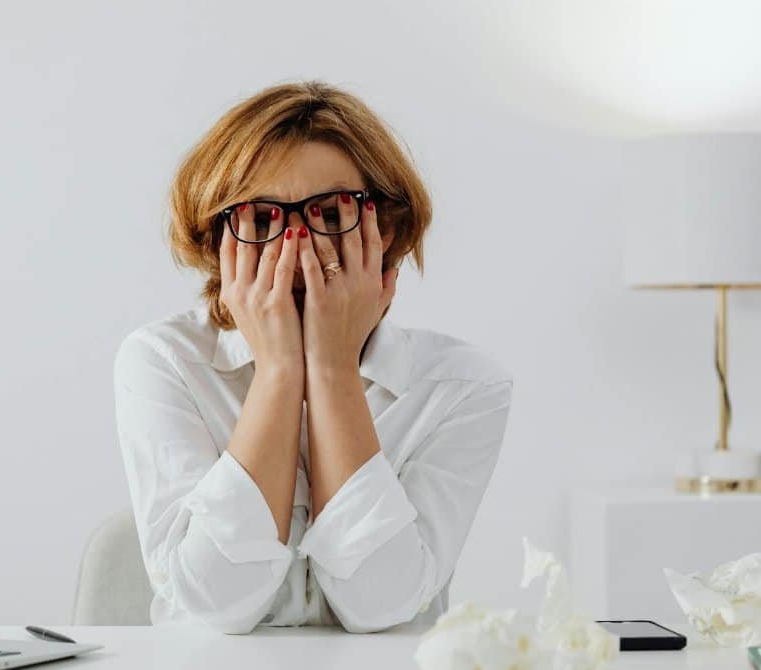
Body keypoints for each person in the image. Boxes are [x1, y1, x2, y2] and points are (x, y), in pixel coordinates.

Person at [113, 81, 512, 634]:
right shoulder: (164, 361)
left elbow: (380, 606)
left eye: (331, 213)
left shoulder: (461, 385)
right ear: (217, 235)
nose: (298, 246)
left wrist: (330, 369)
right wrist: (279, 372)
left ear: (386, 229)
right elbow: (215, 606)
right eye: (261, 218)